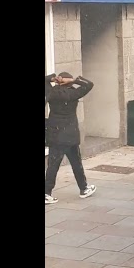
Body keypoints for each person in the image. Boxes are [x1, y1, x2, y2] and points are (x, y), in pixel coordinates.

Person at [44, 72, 97, 204]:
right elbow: (89, 84)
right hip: (70, 135)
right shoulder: (73, 94)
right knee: (76, 164)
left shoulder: (51, 92)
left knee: (52, 165)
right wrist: (73, 80)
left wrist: (53, 78)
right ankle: (84, 189)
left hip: (55, 134)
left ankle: (46, 193)